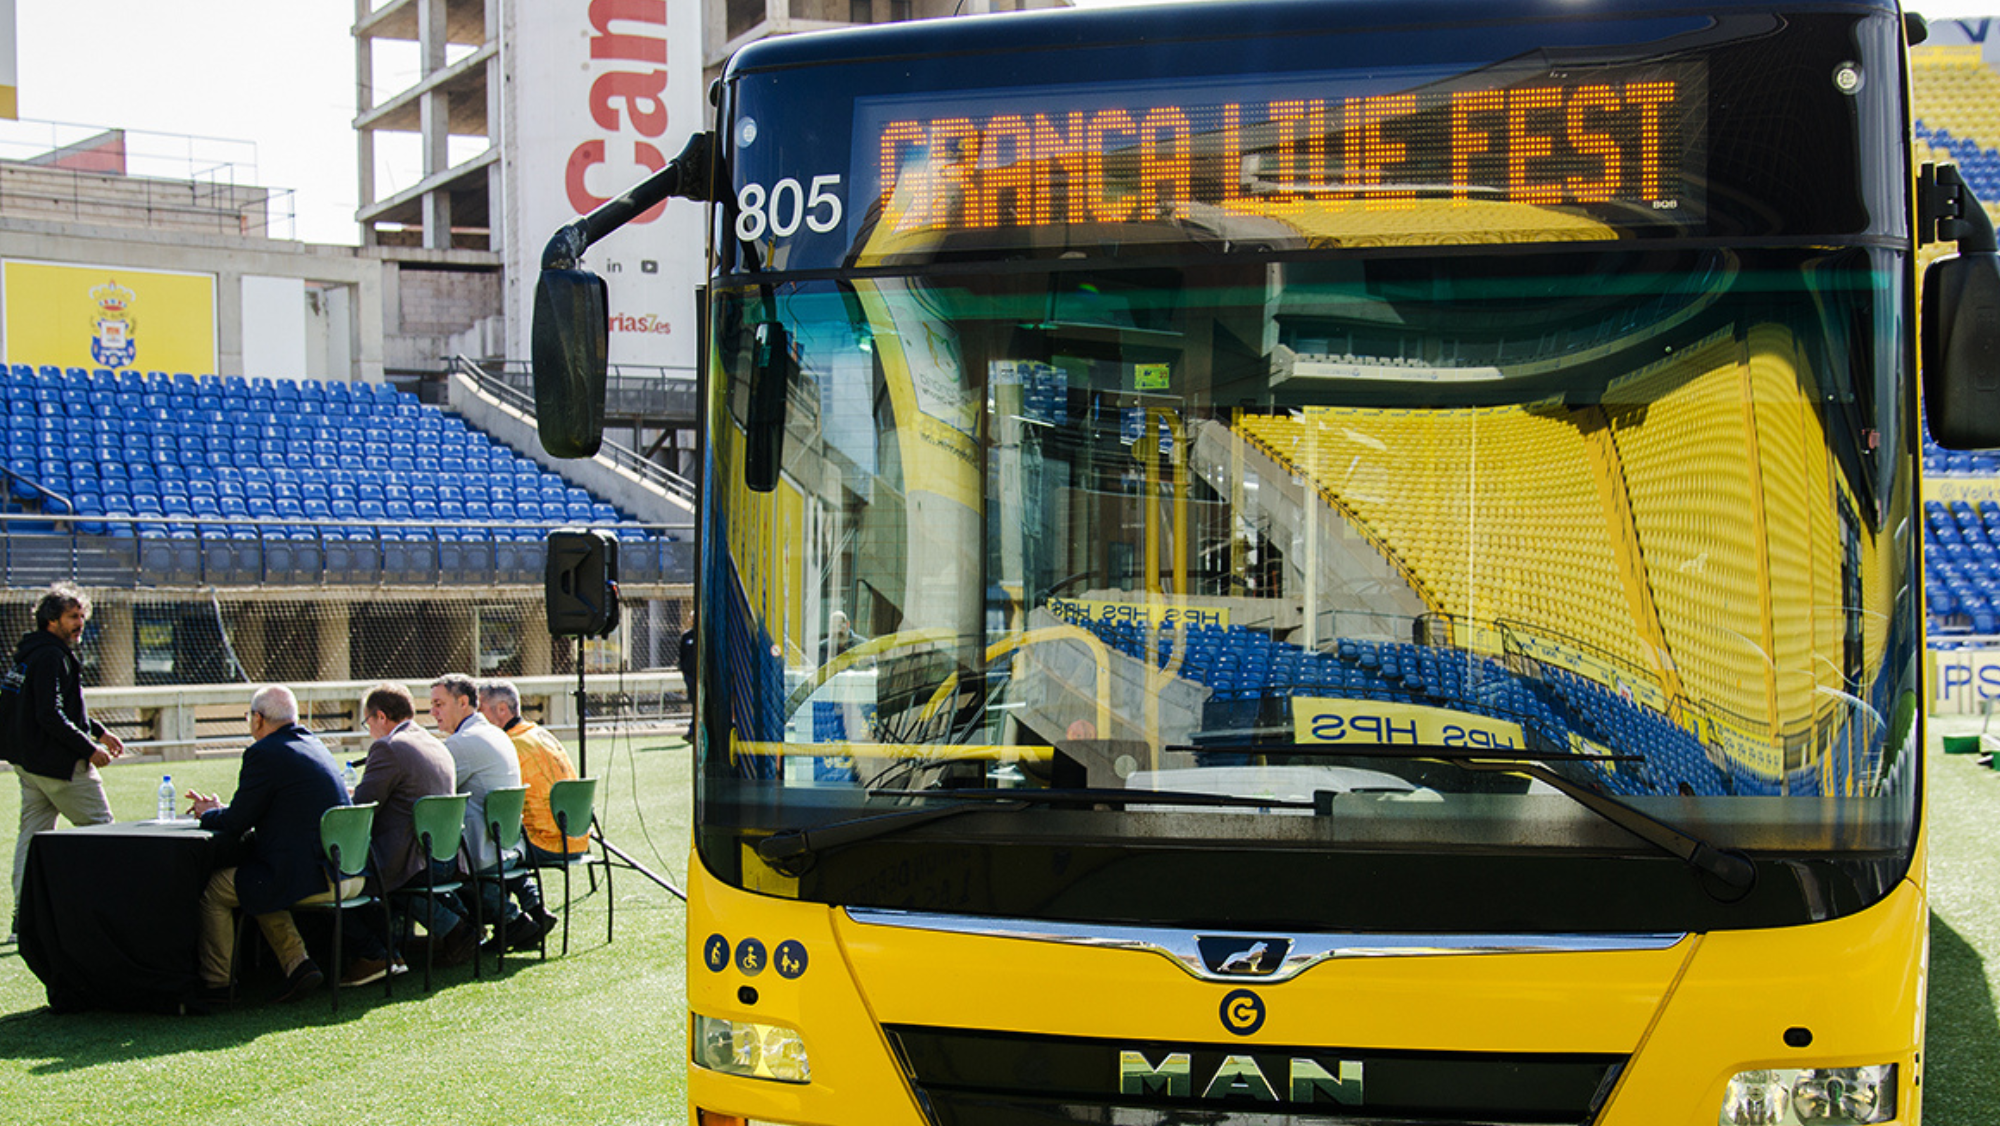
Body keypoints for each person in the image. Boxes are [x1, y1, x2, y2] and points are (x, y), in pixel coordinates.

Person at [185, 686, 350, 1004]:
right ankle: (297, 965)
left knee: (216, 890)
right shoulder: (315, 744)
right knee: (255, 879)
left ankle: (217, 984)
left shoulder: (263, 753)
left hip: (306, 875)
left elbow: (236, 823)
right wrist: (223, 810)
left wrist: (209, 814)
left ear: (257, 719)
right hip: (346, 869)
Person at [5, 583, 124, 945]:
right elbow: (49, 714)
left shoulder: (29, 653)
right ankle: (115, 909)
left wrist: (99, 731)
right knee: (104, 830)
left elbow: (56, 707)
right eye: (73, 617)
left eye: (82, 616)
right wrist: (89, 748)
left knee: (33, 837)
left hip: (29, 764)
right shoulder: (51, 657)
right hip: (57, 765)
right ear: (51, 620)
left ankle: (21, 921)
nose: (80, 623)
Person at [349, 681, 477, 983]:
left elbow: (363, 806)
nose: (369, 730)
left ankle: (450, 931)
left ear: (381, 717)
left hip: (410, 858)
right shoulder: (436, 743)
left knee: (352, 873)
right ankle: (461, 925)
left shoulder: (388, 747)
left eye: (368, 722)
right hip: (446, 854)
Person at [430, 673, 540, 950]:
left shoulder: (461, 743)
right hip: (506, 844)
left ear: (463, 702)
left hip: (482, 850)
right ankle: (516, 919)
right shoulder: (494, 732)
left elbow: (431, 790)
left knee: (413, 864)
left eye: (439, 704)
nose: (433, 712)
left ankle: (501, 923)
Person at [475, 679, 573, 944]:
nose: (476, 717)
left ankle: (512, 921)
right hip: (574, 834)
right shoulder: (539, 733)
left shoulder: (507, 744)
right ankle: (534, 907)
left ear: (502, 710)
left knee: (486, 847)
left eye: (479, 709)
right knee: (504, 841)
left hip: (546, 839)